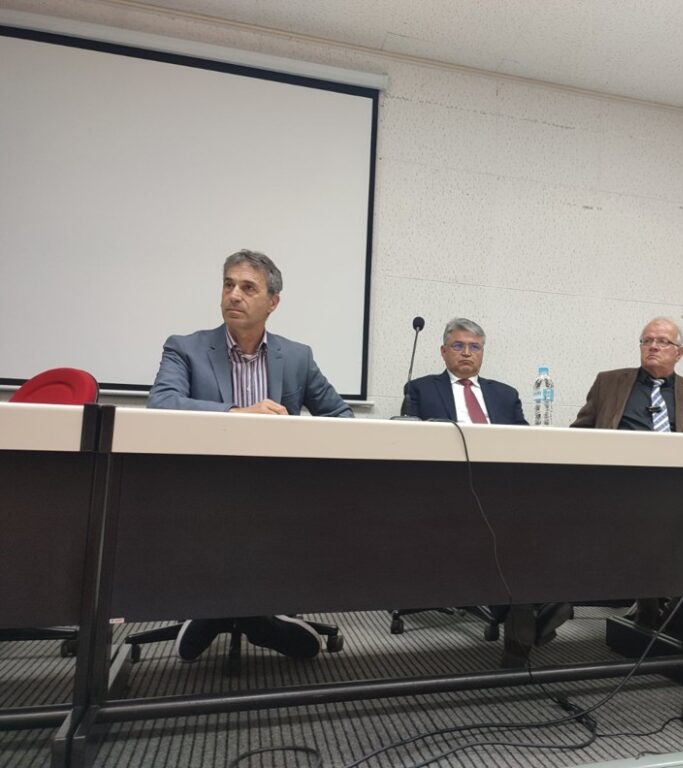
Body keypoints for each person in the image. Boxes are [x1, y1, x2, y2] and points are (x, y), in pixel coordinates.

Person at [149, 249, 354, 661]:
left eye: (247, 287)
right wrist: (237, 413)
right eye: (228, 284)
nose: (234, 295)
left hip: (276, 487)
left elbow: (340, 416)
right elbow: (162, 402)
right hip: (204, 484)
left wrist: (302, 443)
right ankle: (248, 615)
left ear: (272, 302)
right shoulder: (185, 348)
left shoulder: (296, 356)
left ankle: (230, 612)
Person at [404, 318, 569, 668]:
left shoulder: (504, 394)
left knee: (543, 521)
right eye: (458, 346)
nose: (466, 353)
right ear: (443, 351)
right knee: (509, 540)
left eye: (474, 347)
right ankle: (536, 616)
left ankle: (526, 623)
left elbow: (526, 444)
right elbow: (410, 443)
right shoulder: (421, 389)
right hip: (446, 492)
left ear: (482, 353)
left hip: (501, 490)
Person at [571, 316, 683, 643]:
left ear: (679, 352)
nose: (653, 346)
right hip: (618, 486)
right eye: (647, 340)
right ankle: (649, 606)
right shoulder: (609, 383)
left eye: (662, 341)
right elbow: (580, 433)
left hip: (678, 490)